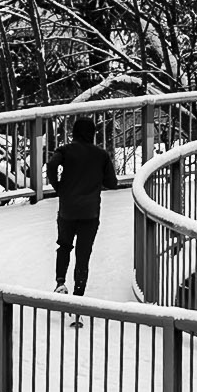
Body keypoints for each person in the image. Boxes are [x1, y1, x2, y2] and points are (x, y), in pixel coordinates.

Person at [46, 116, 118, 299]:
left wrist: (58, 187)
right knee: (83, 254)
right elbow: (112, 183)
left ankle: (60, 282)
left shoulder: (65, 151)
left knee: (64, 246)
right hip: (90, 213)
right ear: (93, 134)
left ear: (73, 133)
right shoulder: (101, 155)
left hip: (67, 211)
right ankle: (78, 295)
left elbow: (52, 164)